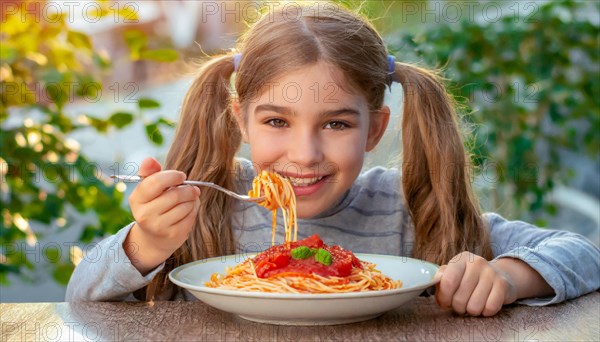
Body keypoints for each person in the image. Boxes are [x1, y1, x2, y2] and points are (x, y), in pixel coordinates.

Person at [66, 3, 599, 317]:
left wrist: (506, 277)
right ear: (240, 121)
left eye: (337, 124)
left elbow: (583, 253)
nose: (305, 154)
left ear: (375, 129)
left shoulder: (405, 206)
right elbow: (82, 296)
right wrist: (147, 244)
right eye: (277, 122)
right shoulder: (206, 204)